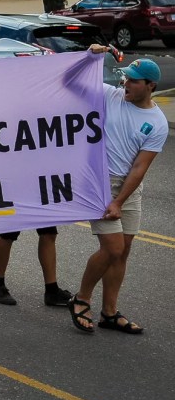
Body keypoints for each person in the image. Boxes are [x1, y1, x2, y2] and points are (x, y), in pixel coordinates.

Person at [69, 53, 167, 334]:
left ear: (150, 86)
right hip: (100, 183)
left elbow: (139, 167)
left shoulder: (157, 122)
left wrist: (120, 200)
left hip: (128, 189)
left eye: (134, 81)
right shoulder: (110, 95)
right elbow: (69, 80)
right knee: (112, 248)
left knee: (123, 253)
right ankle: (81, 298)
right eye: (125, 78)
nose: (126, 83)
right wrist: (89, 58)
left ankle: (109, 313)